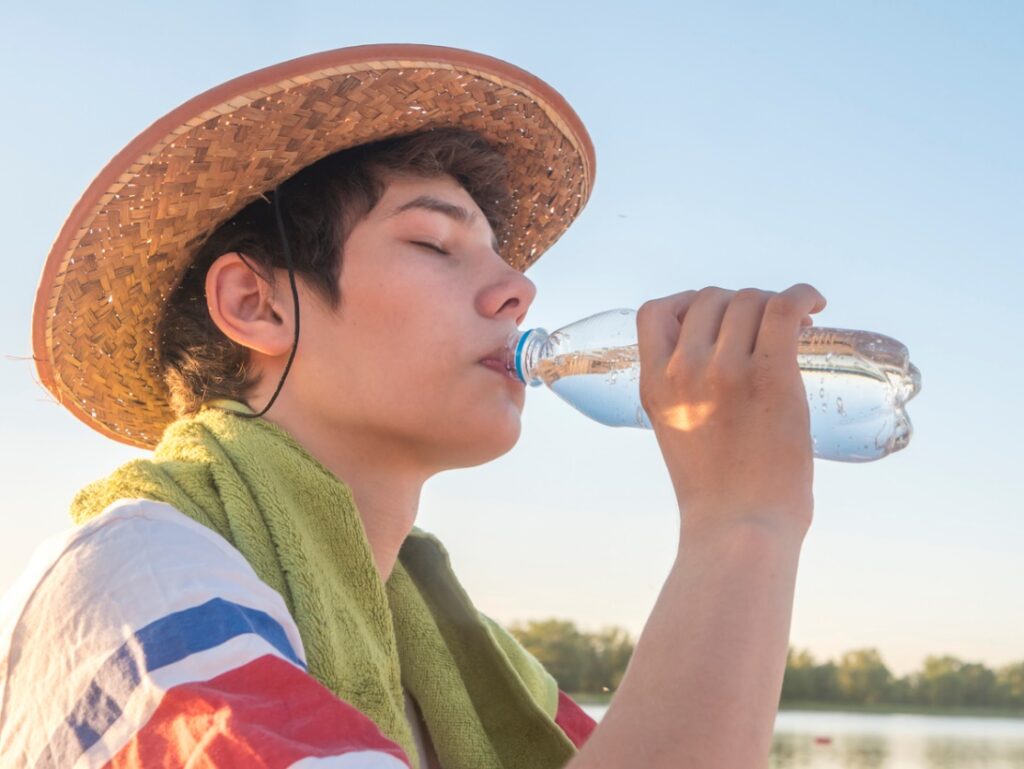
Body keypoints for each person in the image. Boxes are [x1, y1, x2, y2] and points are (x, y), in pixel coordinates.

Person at [3, 44, 826, 768]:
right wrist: (739, 525)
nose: (518, 290)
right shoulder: (124, 583)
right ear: (256, 303)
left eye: (503, 257)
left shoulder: (463, 661)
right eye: (435, 243)